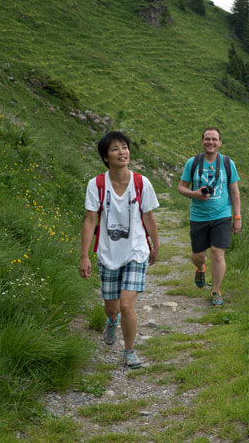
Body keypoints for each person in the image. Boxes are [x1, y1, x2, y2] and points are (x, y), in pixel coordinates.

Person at [80, 131, 160, 369]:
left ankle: (129, 351)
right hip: (108, 253)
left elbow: (148, 215)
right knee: (112, 307)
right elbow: (90, 220)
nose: (122, 152)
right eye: (115, 149)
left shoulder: (141, 182)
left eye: (124, 147)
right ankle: (112, 321)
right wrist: (84, 256)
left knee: (127, 305)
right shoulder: (96, 184)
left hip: (136, 250)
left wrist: (155, 245)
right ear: (106, 157)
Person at [177, 127, 241, 307]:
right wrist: (194, 194)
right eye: (207, 139)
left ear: (220, 143)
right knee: (198, 255)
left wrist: (237, 217)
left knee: (217, 253)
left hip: (222, 216)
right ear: (202, 141)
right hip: (198, 216)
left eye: (214, 139)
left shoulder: (228, 163)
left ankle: (216, 291)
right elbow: (181, 188)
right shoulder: (193, 162)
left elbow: (235, 192)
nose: (211, 142)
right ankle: (200, 268)